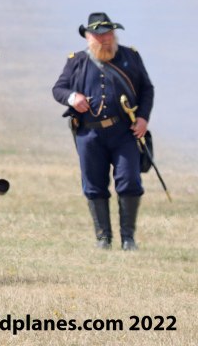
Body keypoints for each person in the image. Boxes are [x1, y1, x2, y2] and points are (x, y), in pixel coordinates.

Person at [52, 13, 153, 251]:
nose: (105, 39)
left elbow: (147, 89)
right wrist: (72, 98)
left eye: (108, 34)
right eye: (99, 35)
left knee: (129, 181)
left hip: (124, 132)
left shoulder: (130, 56)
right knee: (94, 184)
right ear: (88, 37)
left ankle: (128, 239)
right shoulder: (76, 61)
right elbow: (58, 89)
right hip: (89, 135)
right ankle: (103, 238)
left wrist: (143, 118)